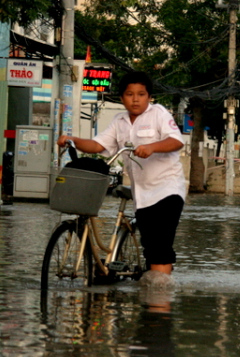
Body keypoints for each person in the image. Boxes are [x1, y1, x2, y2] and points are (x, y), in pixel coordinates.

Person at [57, 71, 185, 281]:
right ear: (122, 98)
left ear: (149, 97)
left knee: (159, 246)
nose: (135, 99)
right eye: (129, 94)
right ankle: (151, 296)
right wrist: (73, 139)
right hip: (142, 194)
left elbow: (176, 140)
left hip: (167, 190)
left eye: (141, 94)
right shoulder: (119, 121)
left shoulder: (159, 114)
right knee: (149, 245)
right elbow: (98, 145)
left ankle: (160, 306)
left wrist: (152, 147)